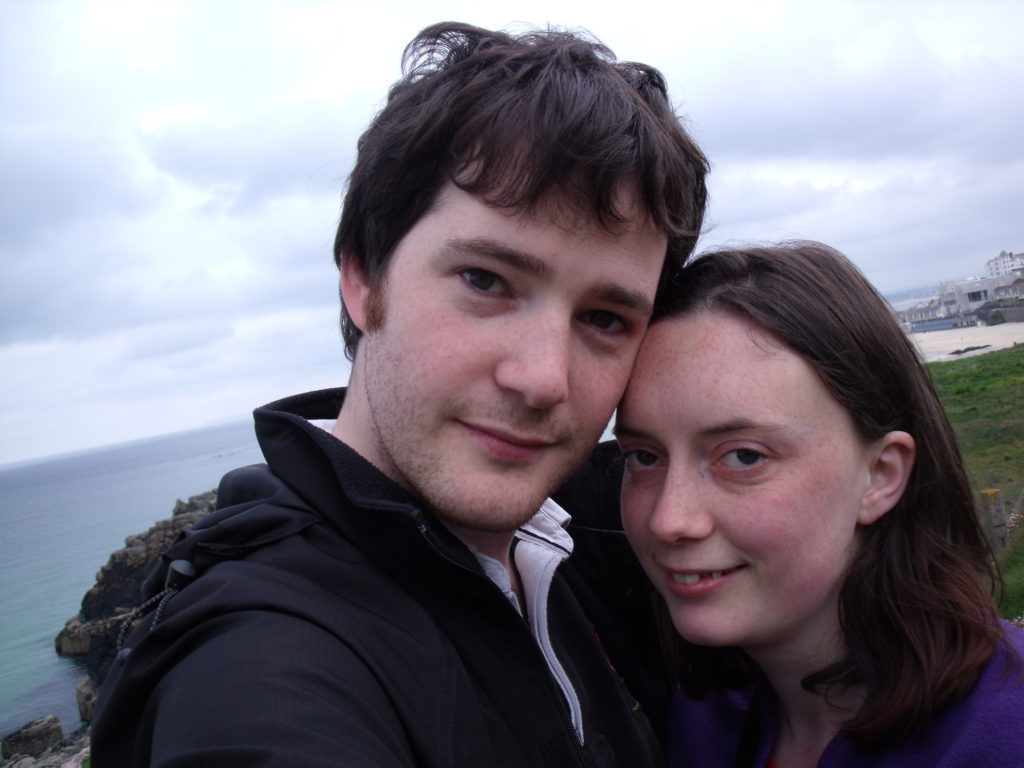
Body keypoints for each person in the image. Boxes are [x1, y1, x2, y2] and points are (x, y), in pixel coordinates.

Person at [91, 21, 710, 767]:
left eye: (606, 319)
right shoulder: (260, 663)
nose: (545, 379)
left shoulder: (586, 537)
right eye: (485, 280)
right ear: (362, 276)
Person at [615, 242, 1024, 767]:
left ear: (880, 476)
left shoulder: (1001, 739)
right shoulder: (701, 717)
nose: (669, 520)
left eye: (743, 456)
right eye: (643, 457)